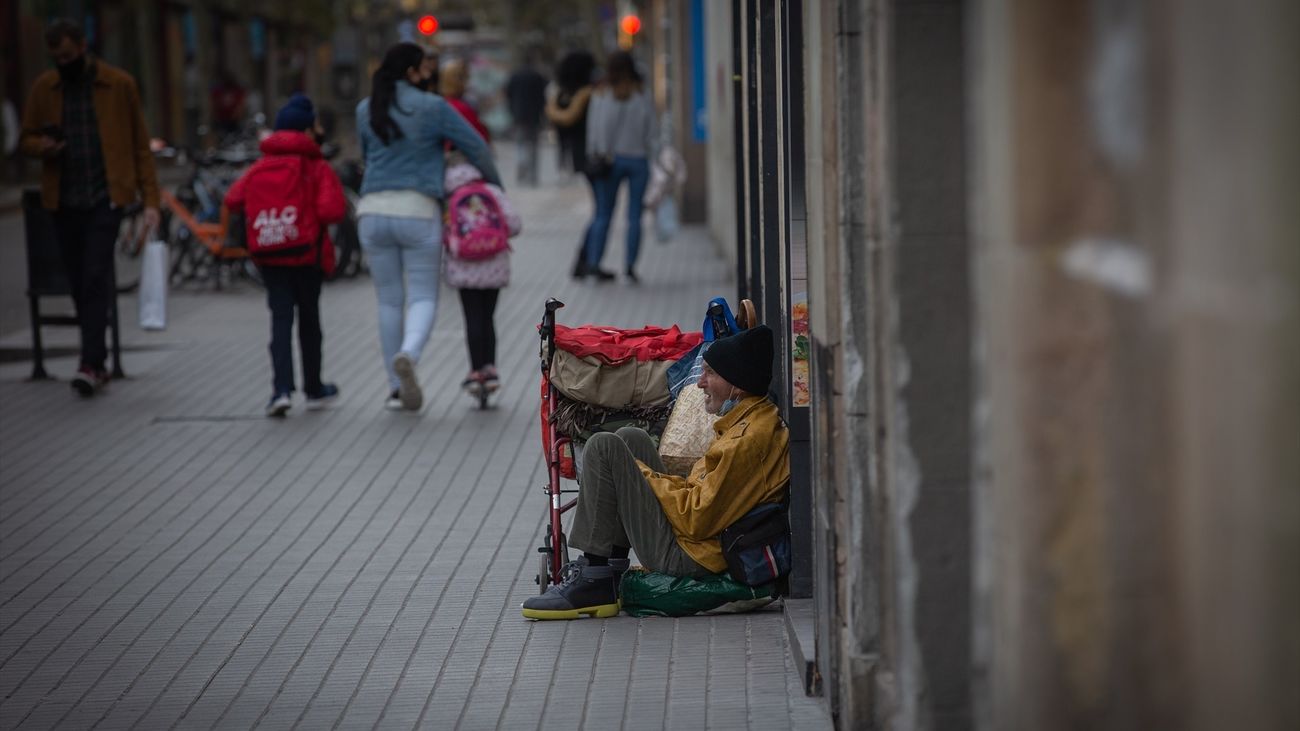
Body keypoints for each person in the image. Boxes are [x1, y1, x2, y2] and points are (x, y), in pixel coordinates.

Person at [522, 325, 790, 620]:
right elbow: (703, 499)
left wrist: (637, 477)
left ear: (737, 385)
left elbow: (696, 519)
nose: (700, 383)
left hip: (693, 557)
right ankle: (611, 565)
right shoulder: (754, 419)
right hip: (701, 541)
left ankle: (593, 577)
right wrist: (645, 478)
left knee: (602, 447)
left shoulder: (746, 441)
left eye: (710, 373)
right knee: (629, 437)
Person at [355, 43, 501, 412]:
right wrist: (494, 187)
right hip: (418, 210)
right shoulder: (434, 107)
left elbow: (365, 156)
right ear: (411, 72)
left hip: (371, 210)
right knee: (422, 296)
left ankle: (394, 388)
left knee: (388, 300)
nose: (428, 74)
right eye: (423, 68)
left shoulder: (364, 108)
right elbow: (476, 146)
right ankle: (409, 353)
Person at [19, 19, 161, 397]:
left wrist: (151, 201)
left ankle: (91, 362)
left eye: (67, 55)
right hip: (62, 199)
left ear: (83, 47)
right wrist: (44, 148)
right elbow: (26, 138)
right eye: (55, 57)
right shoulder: (45, 88)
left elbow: (140, 147)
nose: (62, 62)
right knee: (79, 281)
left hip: (105, 198)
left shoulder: (119, 85)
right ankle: (94, 356)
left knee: (95, 274)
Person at [224, 94, 345, 417]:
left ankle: (280, 391)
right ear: (307, 130)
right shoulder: (316, 165)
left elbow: (233, 199)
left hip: (269, 255)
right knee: (309, 321)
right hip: (307, 255)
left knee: (280, 320)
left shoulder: (260, 165)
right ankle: (314, 387)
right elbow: (332, 210)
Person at [442, 158, 521, 397]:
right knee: (488, 317)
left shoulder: (448, 195)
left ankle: (476, 371)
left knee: (472, 318)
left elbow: (443, 233)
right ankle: (491, 369)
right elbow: (515, 224)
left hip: (463, 267)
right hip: (494, 266)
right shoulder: (492, 191)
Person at [583, 51, 657, 284]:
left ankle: (594, 264)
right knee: (635, 216)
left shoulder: (602, 93)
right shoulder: (642, 93)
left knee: (603, 214)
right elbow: (652, 130)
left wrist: (597, 152)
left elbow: (595, 130)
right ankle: (630, 267)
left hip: (610, 160)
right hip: (638, 159)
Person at [545, 50, 611, 280]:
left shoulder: (561, 96)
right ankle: (587, 261)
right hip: (597, 158)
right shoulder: (590, 95)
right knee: (602, 212)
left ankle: (585, 260)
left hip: (580, 159)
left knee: (599, 211)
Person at [504, 52, 548, 186]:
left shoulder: (515, 75)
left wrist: (511, 110)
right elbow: (542, 97)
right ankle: (533, 175)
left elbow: (508, 94)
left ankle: (521, 169)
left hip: (518, 115)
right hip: (534, 115)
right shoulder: (538, 76)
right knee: (534, 146)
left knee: (520, 144)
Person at [438, 58, 490, 144]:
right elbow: (479, 137)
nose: (469, 82)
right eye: (466, 77)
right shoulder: (460, 107)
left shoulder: (443, 102)